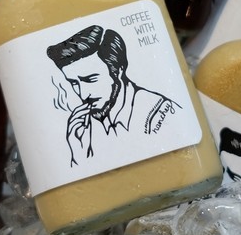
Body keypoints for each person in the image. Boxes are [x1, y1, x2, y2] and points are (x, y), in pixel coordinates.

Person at [47, 24, 179, 166]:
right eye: (74, 83)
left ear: (119, 70)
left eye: (90, 79)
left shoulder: (158, 114)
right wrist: (79, 155)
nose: (83, 94)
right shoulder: (84, 128)